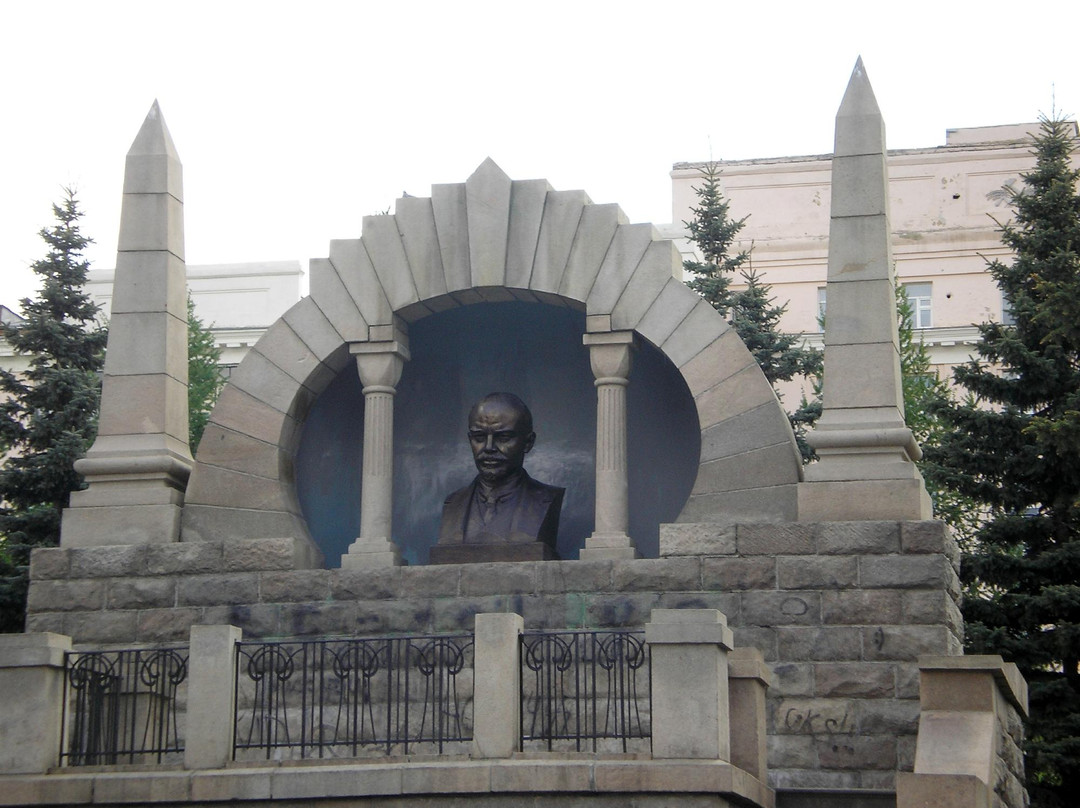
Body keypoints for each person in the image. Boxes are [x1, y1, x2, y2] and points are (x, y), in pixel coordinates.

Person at [437, 393, 563, 556]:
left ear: (528, 442)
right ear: (470, 440)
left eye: (503, 437)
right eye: (479, 437)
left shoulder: (546, 500)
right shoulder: (453, 504)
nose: (489, 447)